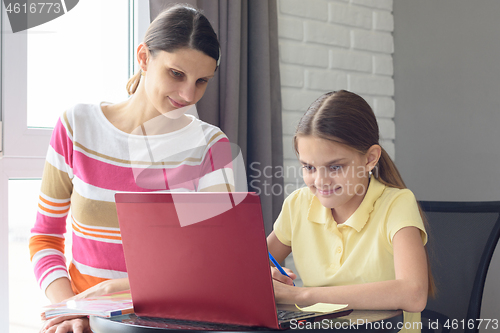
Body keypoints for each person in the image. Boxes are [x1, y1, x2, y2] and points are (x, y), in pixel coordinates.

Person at [31, 4, 234, 333]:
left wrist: (117, 291)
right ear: (143, 57)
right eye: (176, 74)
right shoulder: (76, 127)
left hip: (168, 324)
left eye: (201, 81)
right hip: (85, 323)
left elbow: (213, 266)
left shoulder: (211, 146)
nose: (188, 94)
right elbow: (44, 238)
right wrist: (73, 311)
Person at [267, 90, 434, 333]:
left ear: (370, 159)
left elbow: (413, 294)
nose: (320, 180)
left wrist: (301, 295)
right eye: (309, 167)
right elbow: (250, 267)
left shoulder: (397, 203)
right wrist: (265, 277)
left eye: (335, 166)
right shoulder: (298, 204)